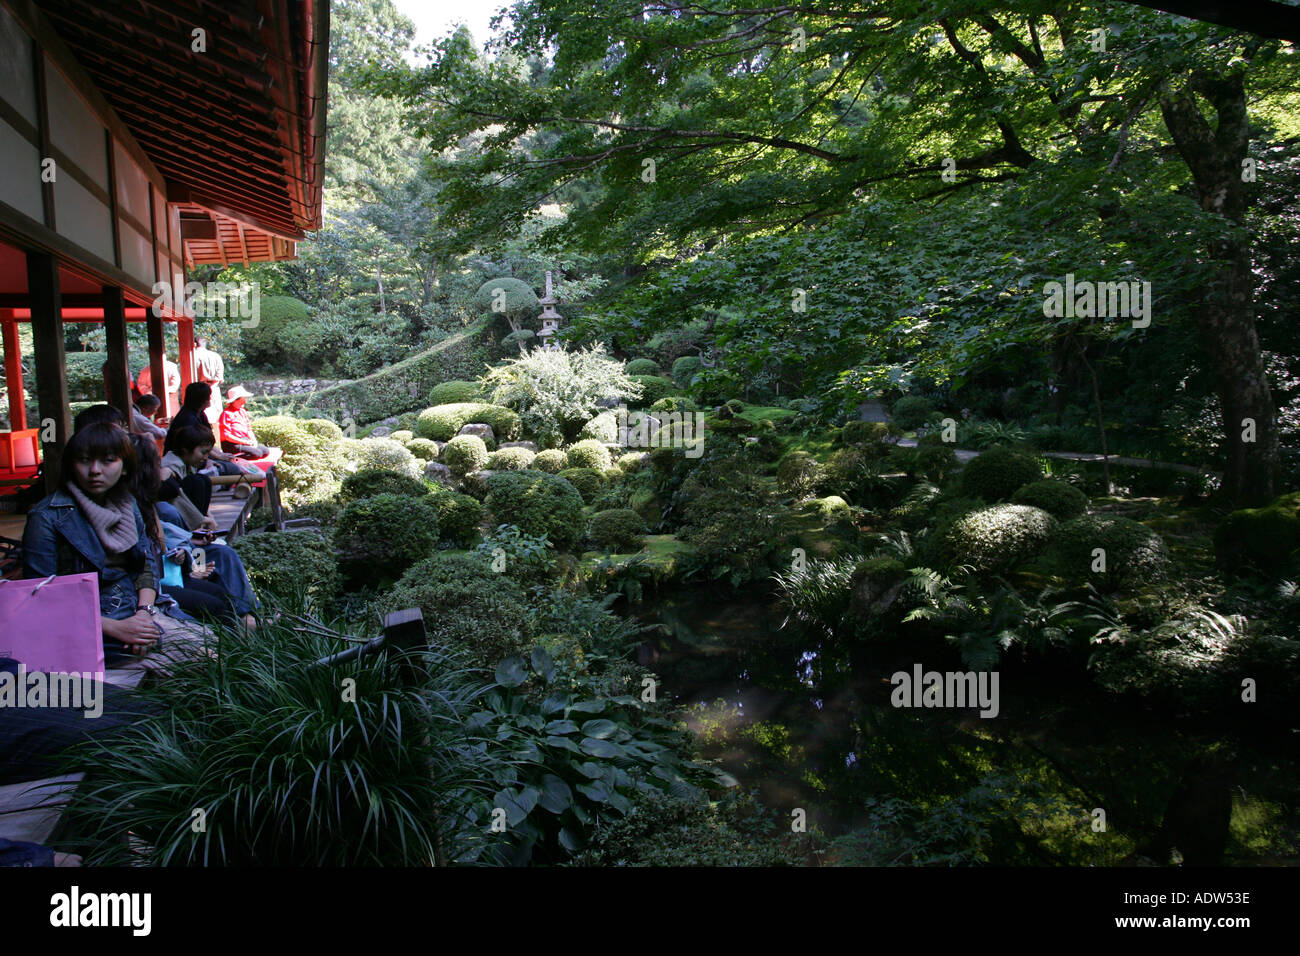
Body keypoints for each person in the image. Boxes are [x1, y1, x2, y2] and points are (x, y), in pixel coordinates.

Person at [20, 424, 200, 668]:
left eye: (107, 461)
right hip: (83, 625)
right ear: (71, 465)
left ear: (125, 467)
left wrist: (143, 614)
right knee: (185, 660)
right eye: (84, 461)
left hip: (134, 611)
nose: (95, 470)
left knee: (210, 647)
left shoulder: (127, 504)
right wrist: (118, 628)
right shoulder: (47, 517)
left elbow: (145, 566)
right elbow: (39, 594)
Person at [129, 433, 258, 631]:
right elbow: (158, 546)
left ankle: (249, 616)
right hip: (174, 567)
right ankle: (243, 624)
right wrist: (188, 559)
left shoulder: (154, 494)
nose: (160, 467)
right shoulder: (149, 501)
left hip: (185, 550)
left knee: (223, 553)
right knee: (215, 588)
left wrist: (193, 538)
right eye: (155, 463)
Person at [218, 385, 270, 458]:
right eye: (242, 399)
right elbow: (227, 436)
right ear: (235, 400)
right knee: (257, 454)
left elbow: (248, 429)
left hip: (244, 440)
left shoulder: (242, 411)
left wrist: (253, 441)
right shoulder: (227, 413)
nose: (244, 401)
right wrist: (245, 442)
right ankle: (232, 457)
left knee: (265, 451)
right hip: (232, 443)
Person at [192, 337, 225, 424]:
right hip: (214, 388)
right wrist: (212, 387)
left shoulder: (193, 356)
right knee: (216, 420)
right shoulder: (215, 356)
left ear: (194, 344)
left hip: (199, 390)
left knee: (200, 418)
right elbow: (219, 376)